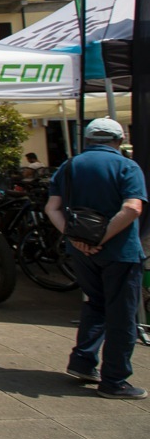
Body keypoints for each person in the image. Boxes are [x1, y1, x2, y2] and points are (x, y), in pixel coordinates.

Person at [45, 118, 147, 400]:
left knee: (95, 304)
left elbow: (52, 208)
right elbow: (133, 208)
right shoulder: (127, 166)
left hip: (81, 251)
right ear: (118, 140)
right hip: (119, 251)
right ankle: (114, 380)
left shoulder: (70, 166)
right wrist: (101, 237)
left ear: (88, 140)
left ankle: (82, 361)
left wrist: (75, 237)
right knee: (122, 316)